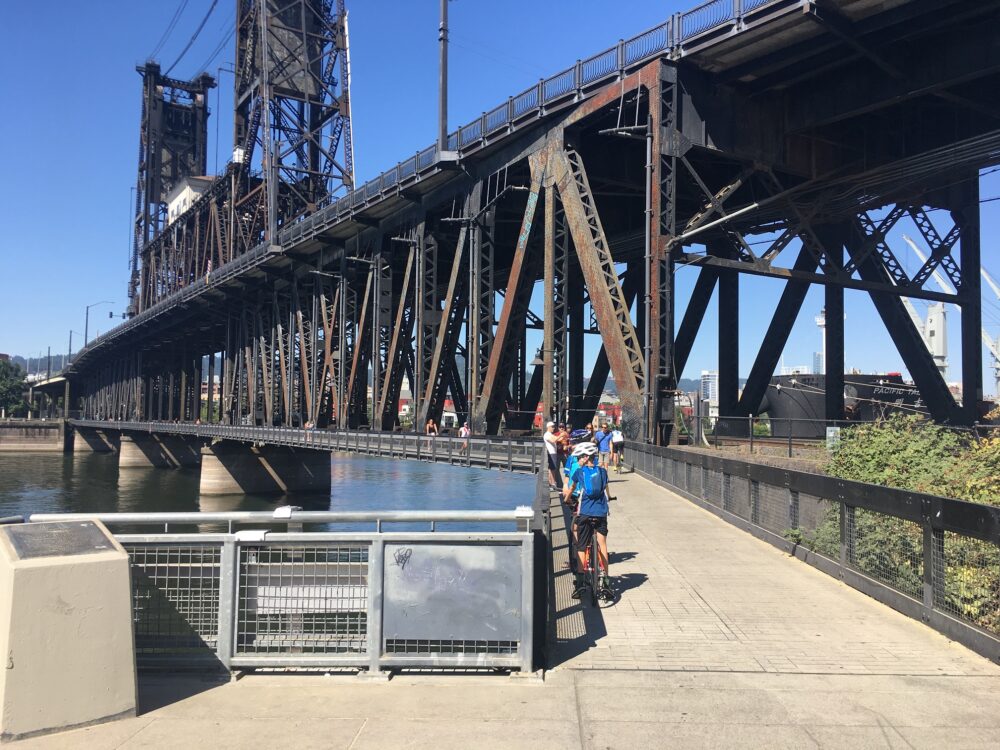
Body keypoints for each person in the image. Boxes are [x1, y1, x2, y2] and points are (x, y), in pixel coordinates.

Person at [562, 442, 611, 600]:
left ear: (585, 457)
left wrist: (567, 499)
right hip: (601, 513)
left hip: (585, 513)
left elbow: (570, 489)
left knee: (581, 546)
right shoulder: (603, 472)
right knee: (602, 544)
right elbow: (606, 491)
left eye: (580, 457)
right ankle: (606, 582)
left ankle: (581, 582)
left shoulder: (580, 472)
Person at [543, 421, 561, 490]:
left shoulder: (550, 434)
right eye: (552, 427)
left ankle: (552, 483)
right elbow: (553, 440)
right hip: (551, 453)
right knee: (552, 469)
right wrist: (561, 435)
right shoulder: (547, 434)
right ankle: (553, 484)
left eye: (554, 427)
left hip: (553, 453)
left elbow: (557, 439)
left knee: (552, 469)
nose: (554, 428)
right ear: (549, 427)